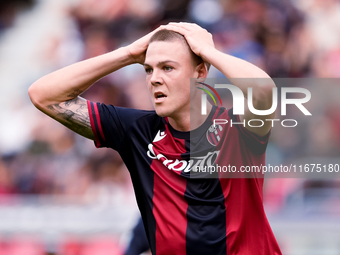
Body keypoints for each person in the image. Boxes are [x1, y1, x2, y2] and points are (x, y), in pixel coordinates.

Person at [29, 22, 282, 255]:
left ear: (200, 72)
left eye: (168, 68)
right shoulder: (137, 131)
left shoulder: (238, 129)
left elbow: (263, 90)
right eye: (149, 69)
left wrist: (207, 51)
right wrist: (128, 54)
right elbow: (43, 95)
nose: (155, 79)